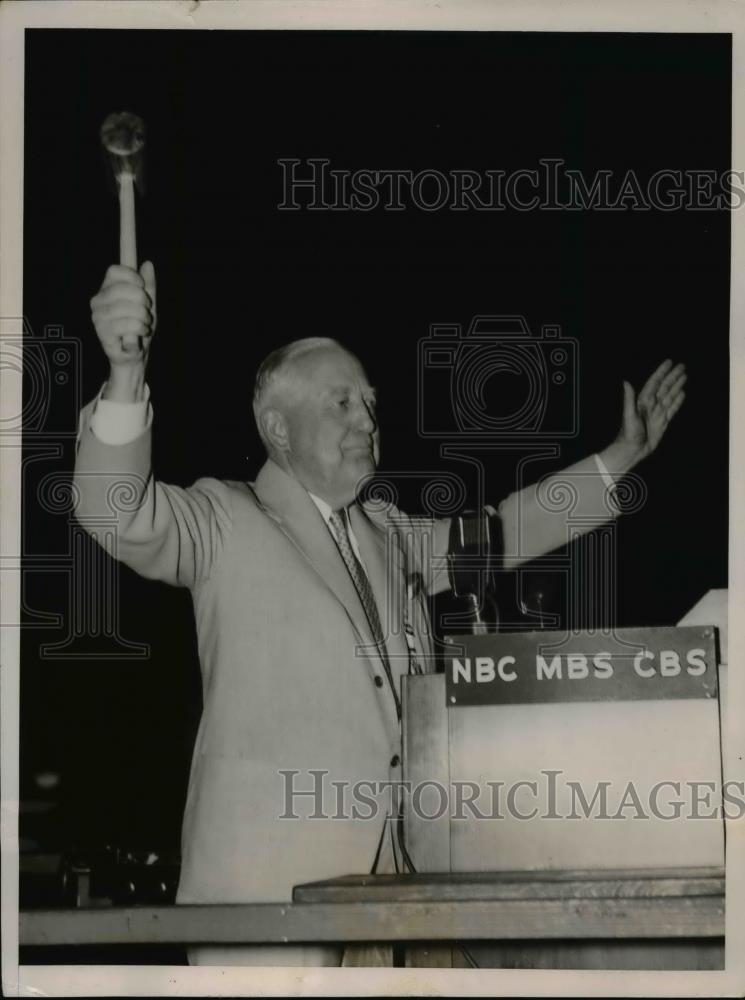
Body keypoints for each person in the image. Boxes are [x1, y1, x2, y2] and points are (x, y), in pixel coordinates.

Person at [73, 261, 687, 966]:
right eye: (341, 403)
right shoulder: (224, 520)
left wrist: (618, 459)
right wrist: (125, 372)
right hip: (264, 894)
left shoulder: (392, 534)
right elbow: (114, 510)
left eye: (369, 402)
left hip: (394, 894)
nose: (367, 418)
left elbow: (501, 532)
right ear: (277, 427)